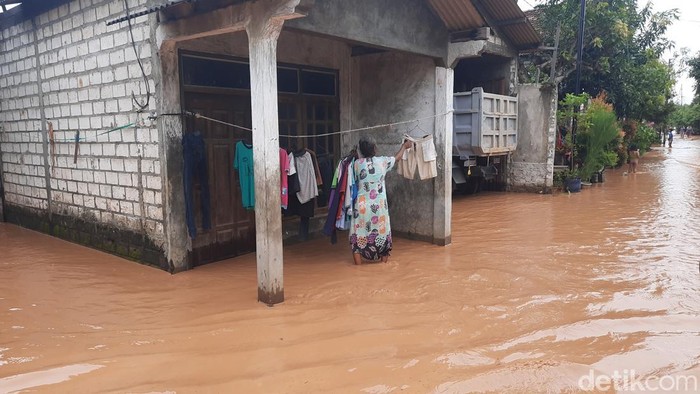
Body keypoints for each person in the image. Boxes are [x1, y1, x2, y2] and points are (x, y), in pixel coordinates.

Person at [349, 137, 412, 265]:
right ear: (374, 149)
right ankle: (383, 265)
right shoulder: (382, 162)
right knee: (382, 233)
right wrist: (404, 147)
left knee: (358, 235)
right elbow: (397, 158)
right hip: (379, 207)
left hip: (361, 207)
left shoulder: (356, 164)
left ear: (361, 151)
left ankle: (358, 267)